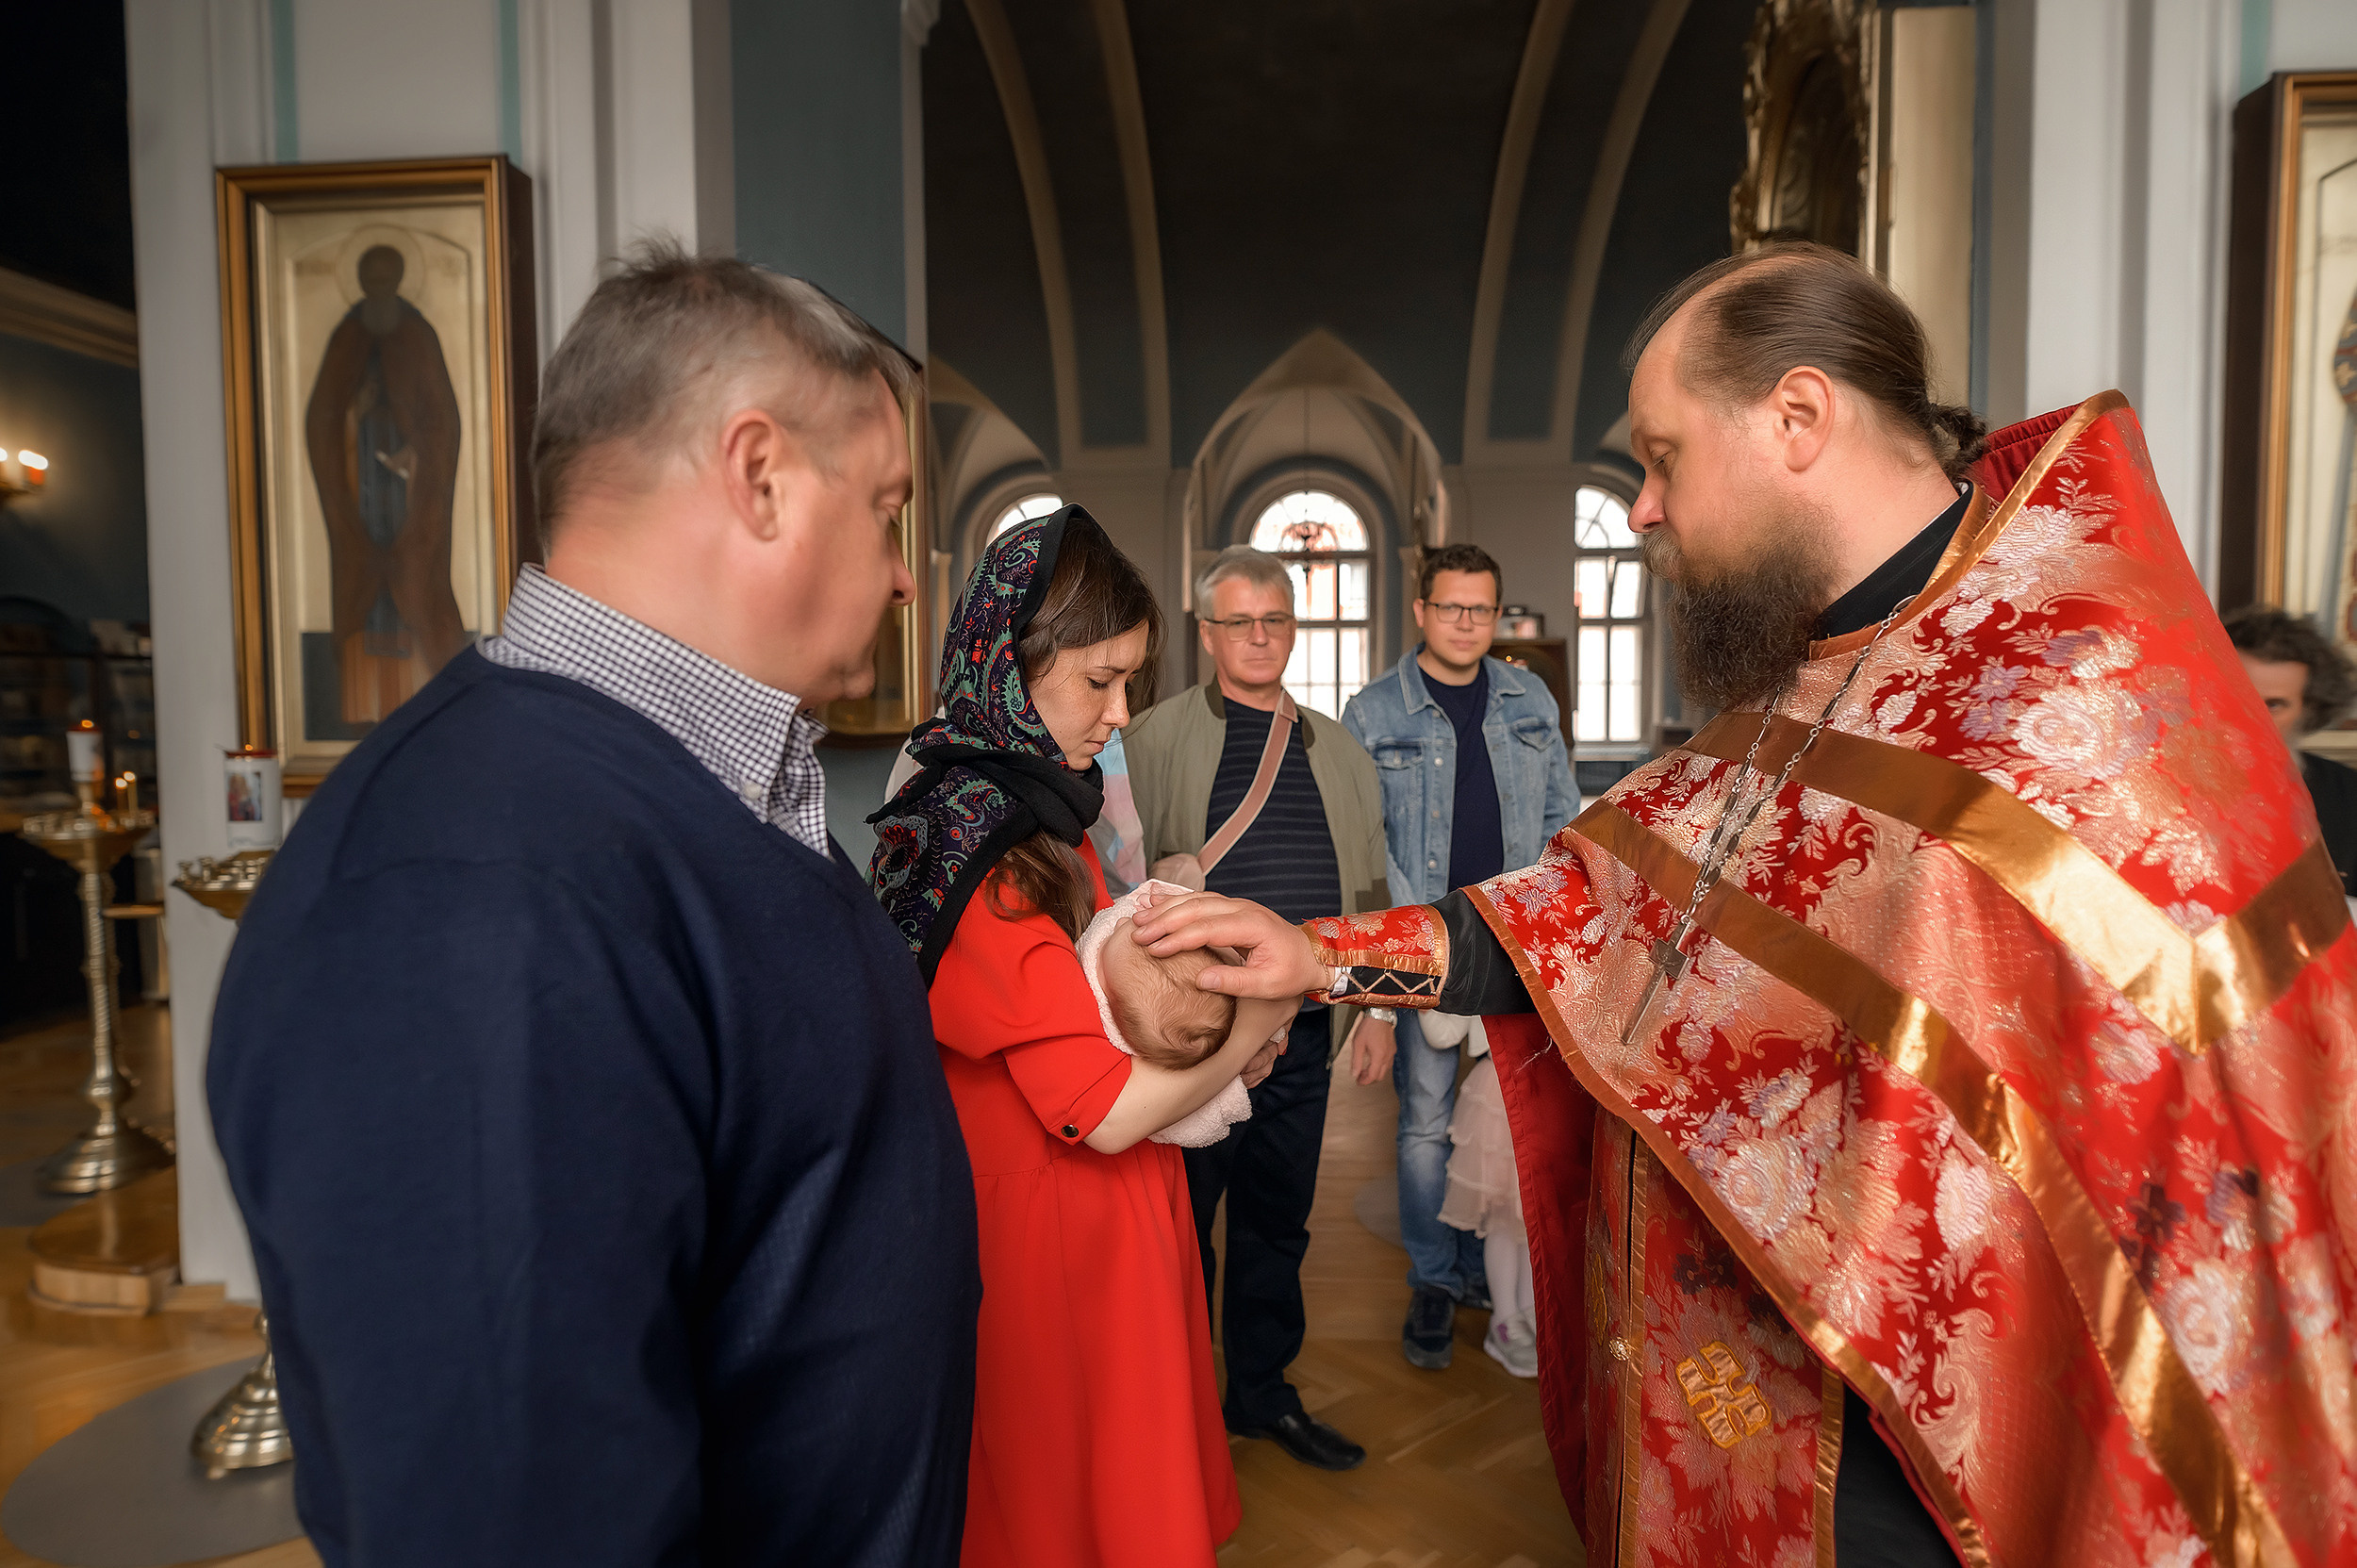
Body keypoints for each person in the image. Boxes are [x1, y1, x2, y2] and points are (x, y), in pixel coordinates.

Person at [1132, 243, 2357, 1565]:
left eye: (1661, 455)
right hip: (1723, 1417)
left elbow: (2175, 1198)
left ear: (1797, 418)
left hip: (1918, 1471)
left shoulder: (2077, 700)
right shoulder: (1809, 673)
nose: (1644, 507)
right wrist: (1321, 953)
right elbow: (1588, 908)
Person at [210, 245, 981, 1566]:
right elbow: (512, 1512)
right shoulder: (466, 896)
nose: (908, 572)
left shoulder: (693, 781)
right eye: (889, 506)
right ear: (759, 475)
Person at [867, 506, 1290, 1568]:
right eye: (1096, 681)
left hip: (1093, 1218)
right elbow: (1095, 1112)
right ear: (1012, 667)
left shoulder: (1027, 809)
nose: (1117, 714)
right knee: (1067, 1504)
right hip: (1049, 1237)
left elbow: (1090, 1014)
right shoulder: (985, 845)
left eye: (1130, 683)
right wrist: (1258, 1022)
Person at [1120, 545, 1393, 1473]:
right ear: (1207, 633)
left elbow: (1370, 884)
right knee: (1180, 1225)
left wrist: (1381, 1008)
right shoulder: (1150, 737)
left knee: (1277, 1220)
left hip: (1302, 1028)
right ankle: (1179, 1408)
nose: (1259, 637)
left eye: (1274, 619)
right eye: (1239, 621)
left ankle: (1260, 1396)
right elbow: (1119, 878)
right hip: (1190, 1035)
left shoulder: (1339, 747)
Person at [1341, 540, 1574, 1370]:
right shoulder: (1373, 712)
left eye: (1481, 608)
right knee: (1427, 1127)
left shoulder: (1529, 697)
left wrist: (1543, 931)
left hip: (1515, 948)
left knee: (1508, 1122)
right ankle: (1435, 1281)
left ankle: (1491, 1273)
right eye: (1450, 607)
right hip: (1427, 954)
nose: (1467, 623)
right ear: (1421, 611)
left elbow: (1560, 816)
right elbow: (1369, 844)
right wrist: (1416, 946)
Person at [1425, 1014, 1532, 1378]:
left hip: (1546, 1090)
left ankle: (1533, 1312)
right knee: (1503, 1212)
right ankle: (1505, 1319)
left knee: (1536, 1214)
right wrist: (1428, 1000)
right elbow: (1445, 1033)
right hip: (1499, 1093)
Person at [2224, 604, 2357, 897]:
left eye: (2273, 705)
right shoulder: (2150, 793)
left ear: (2309, 708)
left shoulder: (2350, 796)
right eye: (2238, 694)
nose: (2252, 716)